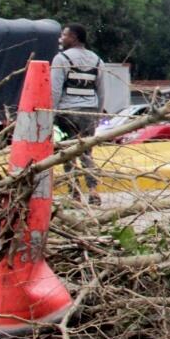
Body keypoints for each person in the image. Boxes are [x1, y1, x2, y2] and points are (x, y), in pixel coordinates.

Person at [51, 23, 104, 206]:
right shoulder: (97, 60)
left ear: (73, 37)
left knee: (68, 152)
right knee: (87, 153)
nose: (61, 39)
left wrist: (52, 113)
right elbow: (101, 91)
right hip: (89, 112)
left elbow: (55, 90)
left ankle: (74, 193)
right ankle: (93, 191)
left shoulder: (61, 59)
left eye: (63, 35)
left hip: (67, 113)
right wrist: (97, 115)